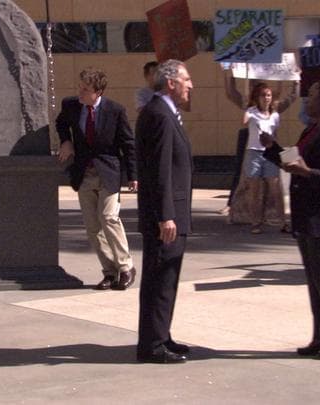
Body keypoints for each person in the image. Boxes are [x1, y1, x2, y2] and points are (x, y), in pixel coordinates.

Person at [263, 78, 320, 359]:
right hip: (309, 213)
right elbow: (297, 161)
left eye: (313, 94)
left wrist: (307, 173)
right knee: (315, 278)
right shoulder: (314, 128)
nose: (308, 99)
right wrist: (273, 149)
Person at [56, 67, 137, 291]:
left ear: (98, 92)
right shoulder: (71, 105)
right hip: (84, 174)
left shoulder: (115, 111)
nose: (80, 92)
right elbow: (61, 123)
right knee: (93, 227)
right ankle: (110, 272)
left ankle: (126, 266)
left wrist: (133, 176)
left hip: (109, 173)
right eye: (80, 87)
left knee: (109, 217)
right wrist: (66, 141)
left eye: (86, 89)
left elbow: (128, 144)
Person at [135, 59, 194, 364]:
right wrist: (165, 215)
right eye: (187, 79)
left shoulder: (166, 112)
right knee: (159, 279)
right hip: (166, 218)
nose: (191, 85)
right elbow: (159, 171)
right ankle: (152, 345)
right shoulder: (159, 114)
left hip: (172, 214)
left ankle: (161, 335)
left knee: (166, 279)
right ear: (171, 82)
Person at [224, 75, 299, 234]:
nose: (266, 98)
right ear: (256, 96)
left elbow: (291, 97)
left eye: (268, 95)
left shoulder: (275, 112)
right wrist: (228, 73)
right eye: (263, 95)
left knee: (275, 187)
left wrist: (294, 80)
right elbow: (242, 115)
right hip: (254, 153)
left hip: (270, 153)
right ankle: (255, 222)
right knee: (255, 189)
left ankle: (282, 221)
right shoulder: (250, 110)